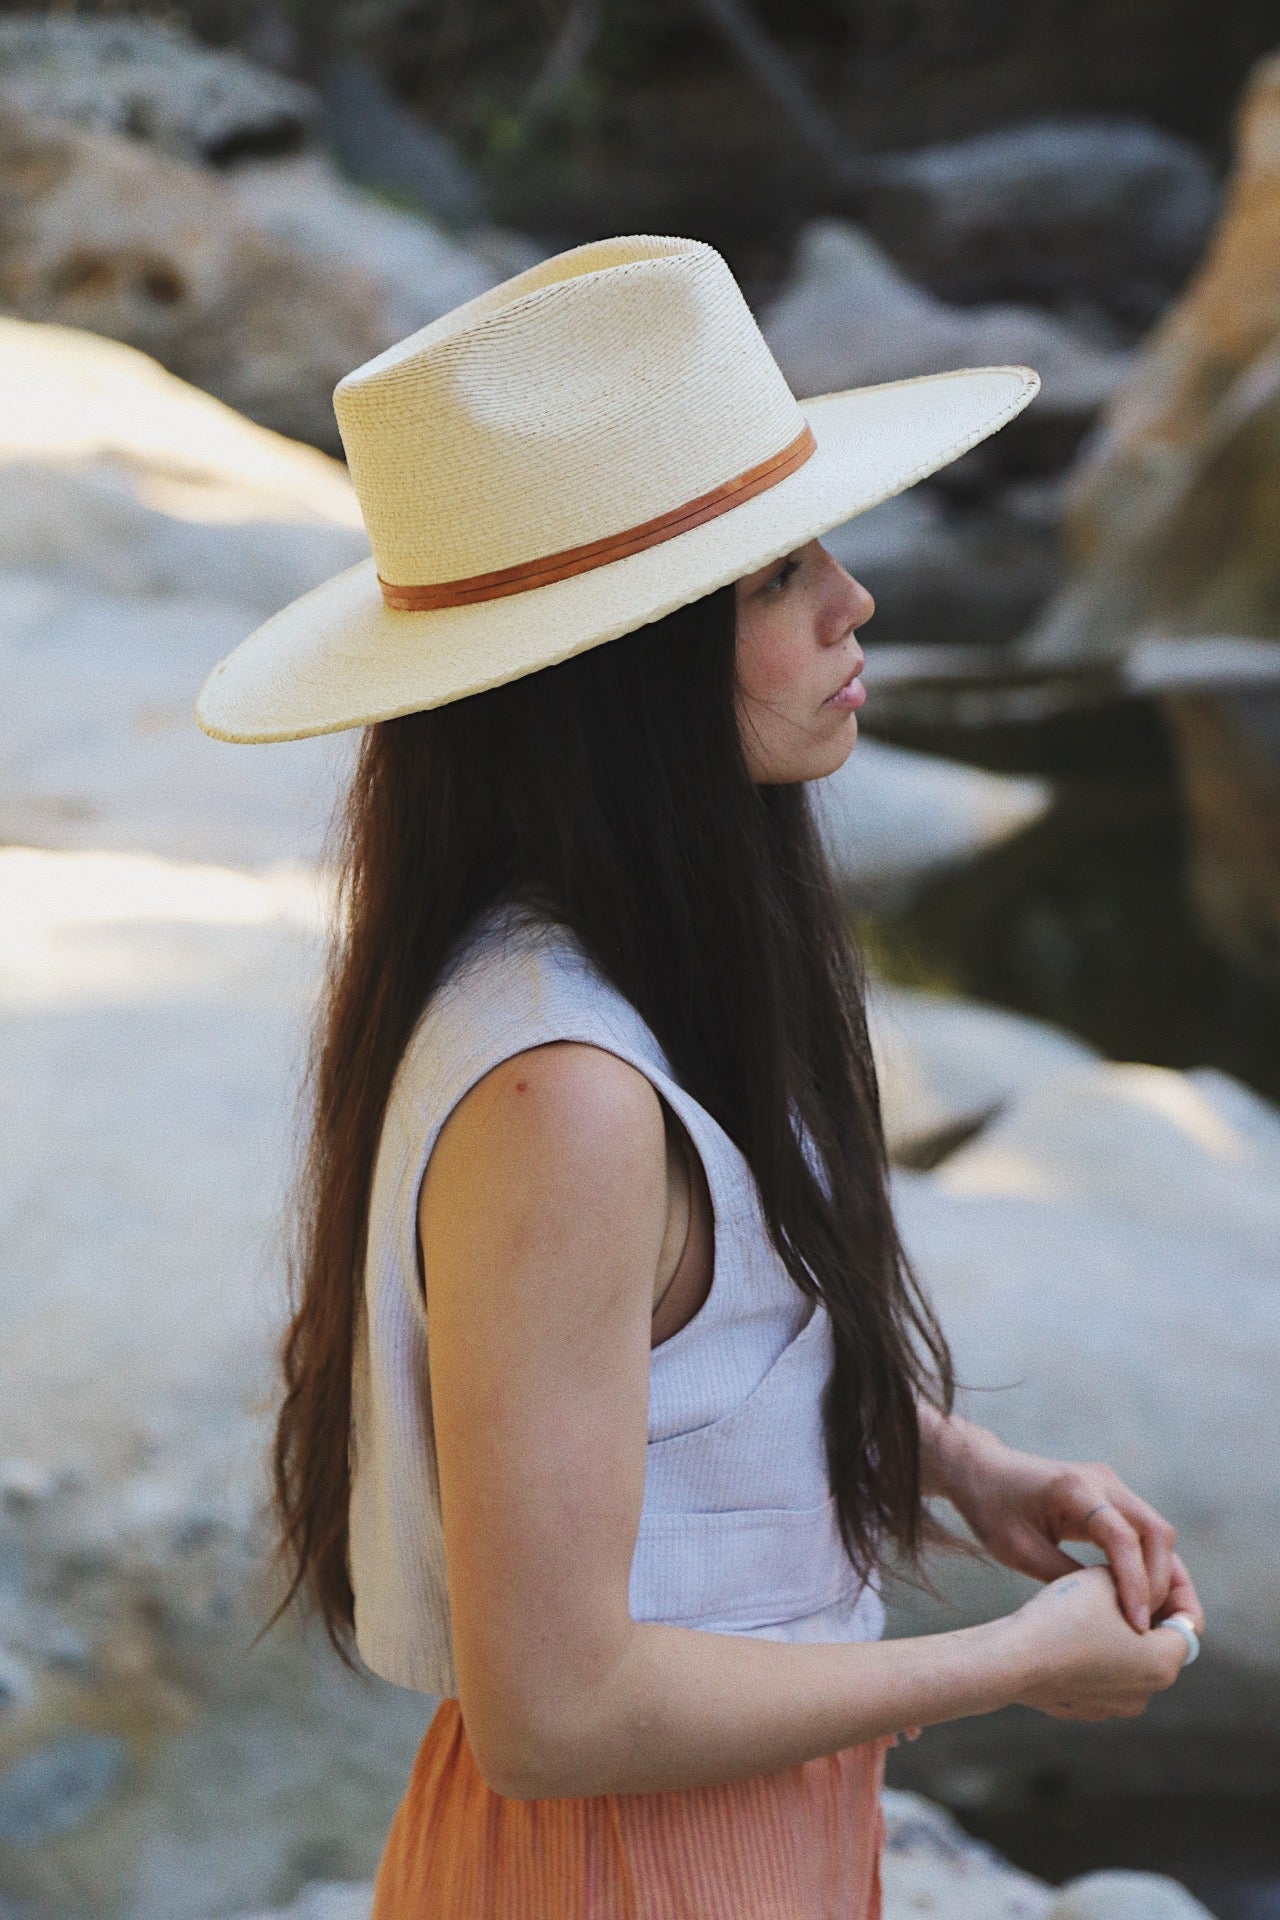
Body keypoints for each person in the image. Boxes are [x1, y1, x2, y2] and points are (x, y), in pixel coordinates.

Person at [197, 235, 1204, 1918]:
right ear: (619, 676)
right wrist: (1009, 1667)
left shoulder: (632, 962)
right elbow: (557, 1716)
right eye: (769, 577)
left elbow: (677, 1361)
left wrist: (952, 1464)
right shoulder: (563, 1093)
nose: (853, 601)